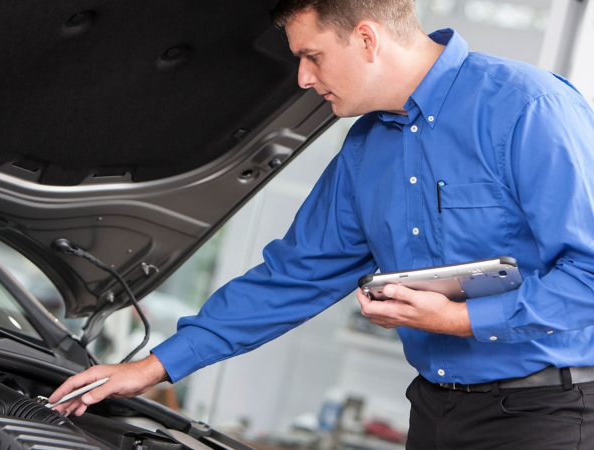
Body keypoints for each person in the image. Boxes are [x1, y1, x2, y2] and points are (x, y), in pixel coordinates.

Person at [50, 0, 594, 447]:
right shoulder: (366, 148)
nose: (304, 79)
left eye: (312, 56)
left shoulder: (528, 107)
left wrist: (459, 320)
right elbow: (296, 275)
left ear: (366, 38)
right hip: (434, 411)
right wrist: (151, 368)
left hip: (544, 415)